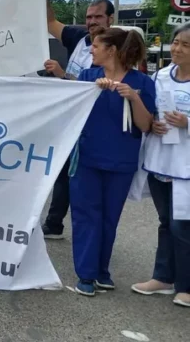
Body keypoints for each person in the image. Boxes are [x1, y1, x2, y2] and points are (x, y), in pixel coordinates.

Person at [69, 27, 155, 296]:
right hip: (87, 159)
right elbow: (71, 111)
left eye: (95, 46)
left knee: (108, 219)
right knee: (86, 217)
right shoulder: (88, 76)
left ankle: (102, 271)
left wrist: (132, 96)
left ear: (112, 50)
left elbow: (145, 125)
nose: (91, 50)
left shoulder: (142, 82)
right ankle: (86, 274)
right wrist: (91, 91)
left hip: (121, 161)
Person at [40, 0, 117, 240]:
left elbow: (103, 83)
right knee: (62, 169)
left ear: (111, 19)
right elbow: (50, 21)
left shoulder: (119, 46)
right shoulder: (76, 36)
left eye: (98, 17)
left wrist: (64, 76)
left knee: (84, 177)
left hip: (98, 122)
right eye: (88, 17)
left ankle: (91, 234)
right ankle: (54, 223)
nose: (92, 22)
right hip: (70, 119)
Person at [132, 23, 190, 308]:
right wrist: (152, 123)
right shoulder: (161, 76)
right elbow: (151, 110)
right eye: (176, 42)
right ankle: (163, 277)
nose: (177, 49)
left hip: (186, 168)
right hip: (160, 162)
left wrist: (187, 123)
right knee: (166, 223)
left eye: (185, 45)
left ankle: (186, 286)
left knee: (184, 226)